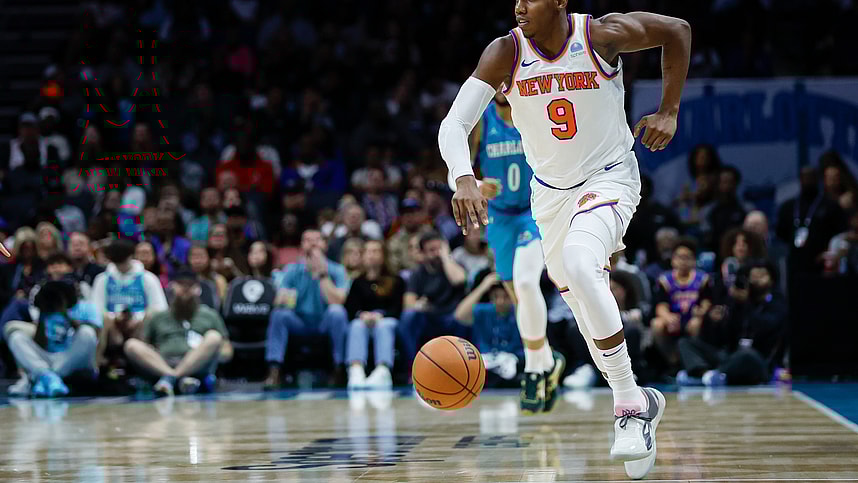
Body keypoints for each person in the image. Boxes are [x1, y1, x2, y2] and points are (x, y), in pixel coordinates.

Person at [438, 2, 690, 477]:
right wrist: (463, 177)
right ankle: (642, 401)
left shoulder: (600, 36)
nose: (517, 6)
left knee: (579, 263)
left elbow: (677, 30)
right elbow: (454, 124)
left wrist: (669, 109)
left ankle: (628, 407)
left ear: (559, 2)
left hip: (610, 177)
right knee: (580, 301)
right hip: (549, 196)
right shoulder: (505, 53)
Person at [447, 88, 563, 414]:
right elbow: (455, 168)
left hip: (534, 212)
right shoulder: (482, 122)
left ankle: (532, 369)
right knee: (518, 297)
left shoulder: (537, 114)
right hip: (498, 219)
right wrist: (472, 183)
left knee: (527, 284)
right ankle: (546, 361)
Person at [677, 260, 787, 386]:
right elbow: (723, 338)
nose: (756, 280)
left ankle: (705, 376)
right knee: (685, 342)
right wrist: (715, 320)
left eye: (761, 276)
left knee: (746, 354)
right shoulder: (736, 302)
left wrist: (746, 304)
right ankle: (706, 375)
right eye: (753, 276)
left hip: (759, 360)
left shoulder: (777, 303)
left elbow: (764, 327)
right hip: (730, 356)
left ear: (772, 280)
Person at [264, 228, 350, 389]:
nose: (312, 243)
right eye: (307, 240)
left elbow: (338, 300)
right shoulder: (292, 270)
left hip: (325, 321)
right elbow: (280, 301)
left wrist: (322, 274)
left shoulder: (337, 270)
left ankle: (339, 369)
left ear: (325, 244)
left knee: (337, 312)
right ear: (301, 246)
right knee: (279, 314)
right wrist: (285, 297)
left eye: (316, 239)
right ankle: (274, 370)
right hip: (300, 322)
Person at [124, 270, 232, 397]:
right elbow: (144, 344)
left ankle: (171, 378)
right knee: (131, 345)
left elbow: (227, 350)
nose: (185, 289)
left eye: (190, 285)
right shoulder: (158, 316)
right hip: (162, 363)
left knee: (214, 337)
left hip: (197, 365)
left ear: (198, 289)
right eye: (181, 284)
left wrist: (219, 352)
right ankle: (177, 378)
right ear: (172, 287)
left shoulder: (210, 315)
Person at [4, 275, 101, 397]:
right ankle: (48, 376)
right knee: (16, 337)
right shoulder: (44, 314)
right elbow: (40, 344)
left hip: (71, 358)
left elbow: (94, 335)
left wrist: (65, 314)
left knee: (87, 332)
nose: (55, 300)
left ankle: (43, 377)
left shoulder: (84, 307)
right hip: (48, 360)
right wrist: (42, 315)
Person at [91, 240, 169, 369]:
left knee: (151, 314)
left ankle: (148, 359)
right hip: (112, 329)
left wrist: (137, 319)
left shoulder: (148, 278)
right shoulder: (102, 279)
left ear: (131, 257)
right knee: (103, 317)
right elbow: (96, 309)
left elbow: (160, 309)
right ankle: (96, 365)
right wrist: (114, 318)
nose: (121, 267)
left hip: (140, 327)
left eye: (123, 262)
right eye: (117, 263)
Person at [397, 231, 468, 373]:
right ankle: (413, 369)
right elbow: (408, 304)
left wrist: (446, 257)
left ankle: (464, 368)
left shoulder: (453, 266)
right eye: (431, 250)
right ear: (422, 253)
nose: (436, 253)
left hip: (452, 317)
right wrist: (419, 305)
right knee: (409, 317)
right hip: (429, 318)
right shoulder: (417, 274)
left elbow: (459, 279)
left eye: (439, 248)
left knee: (464, 318)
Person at [344, 240, 405, 389]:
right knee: (356, 325)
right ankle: (356, 369)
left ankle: (383, 370)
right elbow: (351, 308)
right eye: (368, 251)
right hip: (364, 321)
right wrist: (362, 315)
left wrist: (380, 316)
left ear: (384, 255)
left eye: (376, 251)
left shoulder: (396, 280)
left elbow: (397, 308)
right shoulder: (357, 282)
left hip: (387, 320)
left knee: (384, 326)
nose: (371, 255)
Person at [453, 270, 525, 387]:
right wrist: (483, 286)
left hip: (514, 363)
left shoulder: (518, 311)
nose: (500, 301)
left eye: (505, 296)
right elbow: (459, 315)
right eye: (496, 297)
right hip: (487, 363)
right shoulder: (485, 311)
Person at [651, 238, 713, 365]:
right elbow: (660, 306)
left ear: (694, 260)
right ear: (673, 260)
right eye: (680, 257)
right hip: (674, 319)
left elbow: (707, 303)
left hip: (693, 318)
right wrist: (668, 317)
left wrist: (700, 314)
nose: (683, 261)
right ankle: (672, 361)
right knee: (657, 324)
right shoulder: (665, 280)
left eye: (687, 257)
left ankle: (693, 361)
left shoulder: (703, 279)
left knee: (697, 324)